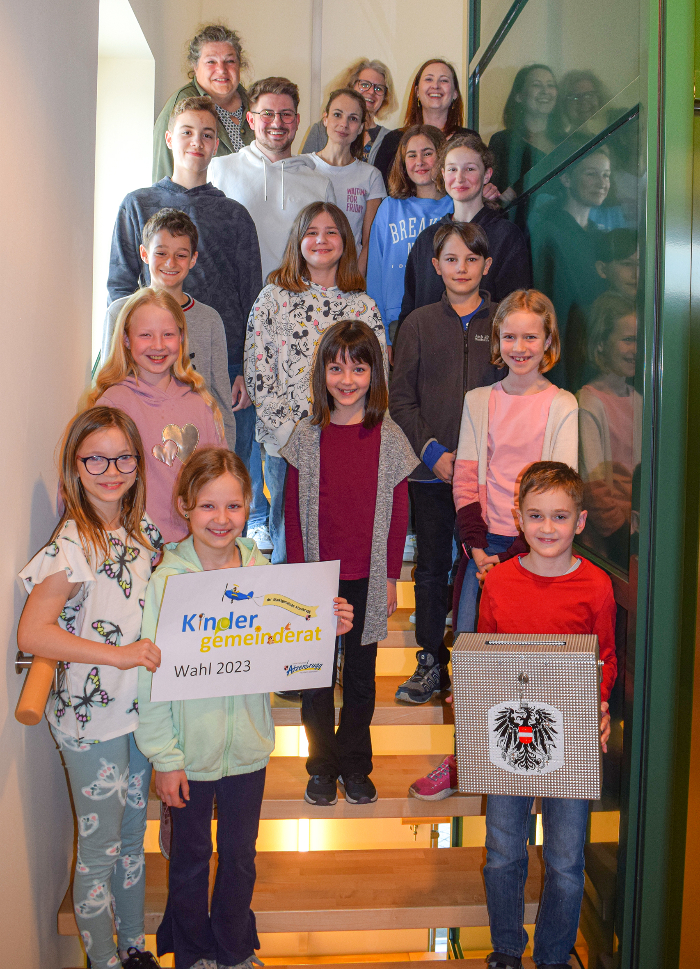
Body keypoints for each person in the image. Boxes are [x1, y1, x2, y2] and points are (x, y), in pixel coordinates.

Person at [135, 446, 353, 969]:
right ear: (185, 506)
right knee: (189, 860)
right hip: (188, 753)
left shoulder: (264, 575)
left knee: (239, 858)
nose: (221, 518)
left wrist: (325, 629)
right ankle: (192, 953)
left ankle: (233, 950)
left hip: (249, 751)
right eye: (208, 506)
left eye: (233, 506)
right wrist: (165, 756)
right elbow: (150, 677)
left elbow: (283, 652)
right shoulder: (166, 582)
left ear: (249, 506)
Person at [17, 407, 163, 969]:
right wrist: (119, 655)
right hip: (90, 723)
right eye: (95, 459)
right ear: (75, 466)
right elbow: (34, 632)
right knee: (99, 853)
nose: (111, 470)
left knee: (132, 841)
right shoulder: (72, 544)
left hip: (136, 715)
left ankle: (134, 948)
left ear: (138, 463)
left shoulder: (143, 533)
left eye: (123, 458)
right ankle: (103, 961)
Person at [477, 461, 617, 969]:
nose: (548, 528)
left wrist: (599, 700)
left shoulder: (597, 585)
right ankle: (506, 949)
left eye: (560, 516)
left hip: (573, 740)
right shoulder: (499, 582)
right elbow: (484, 655)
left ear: (580, 521)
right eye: (536, 516)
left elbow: (606, 657)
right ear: (518, 518)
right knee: (502, 852)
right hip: (507, 738)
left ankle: (554, 956)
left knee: (564, 859)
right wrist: (471, 698)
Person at [281, 321, 417, 806]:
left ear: (374, 374)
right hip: (318, 581)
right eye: (336, 368)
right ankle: (321, 767)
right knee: (315, 680)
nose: (346, 379)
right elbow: (291, 513)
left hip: (367, 580)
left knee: (360, 680)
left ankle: (356, 766)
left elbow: (399, 513)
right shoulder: (306, 436)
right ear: (322, 373)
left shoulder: (390, 436)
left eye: (358, 369)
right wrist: (301, 577)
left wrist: (391, 576)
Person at [108, 95, 262, 464]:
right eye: (187, 132)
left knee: (222, 469)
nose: (197, 142)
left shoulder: (235, 215)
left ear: (216, 144)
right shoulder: (137, 204)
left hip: (221, 366)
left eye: (207, 134)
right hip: (149, 361)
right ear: (169, 139)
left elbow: (251, 298)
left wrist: (245, 369)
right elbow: (120, 286)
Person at [389, 223, 503, 704]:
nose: (462, 268)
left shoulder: (503, 321)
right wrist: (433, 452)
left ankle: (481, 665)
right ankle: (432, 660)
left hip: (489, 479)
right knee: (433, 567)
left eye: (471, 259)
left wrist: (485, 461)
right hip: (431, 474)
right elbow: (400, 400)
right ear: (436, 266)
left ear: (487, 265)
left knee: (484, 565)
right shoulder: (417, 324)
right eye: (452, 260)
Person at [244, 202, 386, 565]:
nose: (321, 240)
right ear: (297, 241)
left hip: (346, 448)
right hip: (287, 449)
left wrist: (350, 440)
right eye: (312, 232)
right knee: (290, 550)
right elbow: (260, 376)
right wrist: (295, 441)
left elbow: (377, 378)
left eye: (331, 232)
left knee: (339, 549)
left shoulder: (363, 306)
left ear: (346, 241)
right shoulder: (272, 299)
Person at [452, 289, 578, 637]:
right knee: (470, 643)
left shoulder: (563, 405)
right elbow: (465, 481)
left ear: (548, 341)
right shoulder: (478, 401)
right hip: (484, 545)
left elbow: (560, 492)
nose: (519, 347)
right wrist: (477, 548)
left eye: (530, 337)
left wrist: (518, 552)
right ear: (497, 340)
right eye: (509, 337)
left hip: (538, 547)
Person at [90, 288, 224, 542]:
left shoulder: (201, 404)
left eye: (168, 334)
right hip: (135, 549)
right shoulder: (112, 405)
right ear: (126, 339)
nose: (159, 345)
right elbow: (91, 484)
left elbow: (220, 481)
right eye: (146, 335)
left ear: (181, 338)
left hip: (194, 550)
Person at [103, 208, 236, 452]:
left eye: (181, 255)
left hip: (196, 445)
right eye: (161, 253)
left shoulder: (209, 319)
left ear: (193, 259)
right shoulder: (119, 313)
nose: (170, 263)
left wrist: (225, 456)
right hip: (134, 441)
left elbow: (220, 399)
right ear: (144, 254)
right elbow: (108, 378)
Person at [395, 134, 531, 340]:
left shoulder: (506, 236)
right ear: (442, 174)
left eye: (470, 169)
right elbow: (410, 310)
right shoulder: (427, 239)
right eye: (452, 169)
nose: (460, 178)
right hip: (432, 354)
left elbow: (517, 310)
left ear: (487, 175)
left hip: (486, 355)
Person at [208, 77, 336, 283]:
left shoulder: (320, 184)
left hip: (299, 297)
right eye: (267, 114)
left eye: (286, 114)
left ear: (297, 121)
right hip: (236, 296)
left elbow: (329, 257)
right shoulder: (219, 170)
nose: (277, 122)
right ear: (251, 120)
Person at [529, 144, 611, 385]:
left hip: (595, 350)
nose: (602, 183)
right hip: (562, 352)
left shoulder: (599, 235)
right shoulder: (549, 232)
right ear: (566, 179)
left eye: (606, 175)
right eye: (591, 174)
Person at [366, 124, 452, 351]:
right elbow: (375, 273)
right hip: (397, 322)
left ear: (443, 157)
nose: (419, 162)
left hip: (447, 316)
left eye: (427, 153)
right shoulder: (389, 208)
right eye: (412, 155)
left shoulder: (455, 207)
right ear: (403, 163)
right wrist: (380, 331)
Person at [577, 293, 641, 569]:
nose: (635, 349)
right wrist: (624, 541)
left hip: (638, 536)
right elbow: (593, 488)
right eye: (627, 339)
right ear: (601, 343)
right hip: (608, 546)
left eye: (639, 340)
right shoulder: (589, 401)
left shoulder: (640, 400)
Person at [153, 24, 253, 182]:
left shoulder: (254, 105)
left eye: (230, 61)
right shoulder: (181, 105)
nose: (222, 69)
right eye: (211, 61)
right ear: (195, 66)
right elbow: (163, 174)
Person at [304, 88, 386, 275]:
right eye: (337, 115)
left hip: (348, 278)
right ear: (325, 119)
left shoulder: (371, 176)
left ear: (361, 127)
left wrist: (355, 282)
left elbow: (369, 243)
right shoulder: (303, 167)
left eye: (353, 118)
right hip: (305, 277)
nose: (344, 124)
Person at [373, 58, 478, 187]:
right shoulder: (393, 140)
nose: (436, 86)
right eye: (429, 79)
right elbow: (378, 190)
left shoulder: (469, 139)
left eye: (444, 80)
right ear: (417, 91)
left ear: (455, 93)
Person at [488, 64, 565, 208]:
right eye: (537, 85)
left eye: (550, 85)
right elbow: (493, 195)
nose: (545, 91)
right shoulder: (502, 141)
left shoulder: (567, 141)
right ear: (519, 96)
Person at [301, 58, 397, 165]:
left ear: (385, 97)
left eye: (379, 88)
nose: (371, 92)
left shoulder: (391, 139)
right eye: (365, 85)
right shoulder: (322, 129)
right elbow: (304, 170)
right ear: (351, 86)